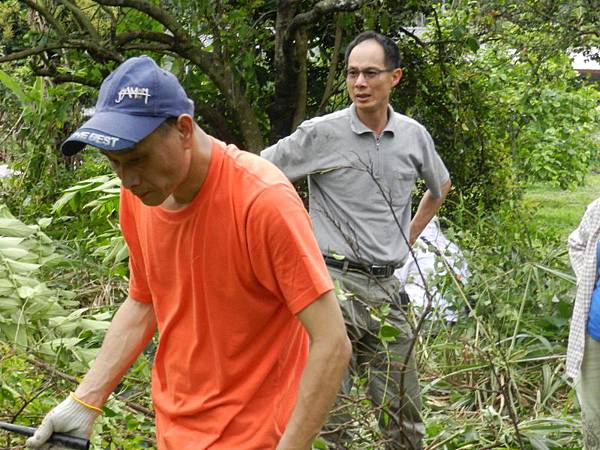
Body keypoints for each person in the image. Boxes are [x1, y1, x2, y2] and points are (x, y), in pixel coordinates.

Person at [26, 55, 351, 450]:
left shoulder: (261, 202)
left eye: (137, 159)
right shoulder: (141, 197)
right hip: (175, 433)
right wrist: (85, 402)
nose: (127, 179)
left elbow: (332, 341)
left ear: (183, 129)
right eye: (115, 164)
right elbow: (144, 302)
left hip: (256, 439)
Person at [261, 31, 451, 449]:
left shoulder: (413, 135)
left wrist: (408, 238)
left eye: (370, 73)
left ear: (395, 77)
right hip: (330, 287)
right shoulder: (321, 133)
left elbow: (440, 186)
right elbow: (257, 175)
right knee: (331, 418)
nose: (359, 83)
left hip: (387, 289)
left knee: (403, 417)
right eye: (352, 74)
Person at [567, 198, 600, 449]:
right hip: (594, 334)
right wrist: (587, 275)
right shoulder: (598, 209)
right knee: (594, 419)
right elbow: (576, 242)